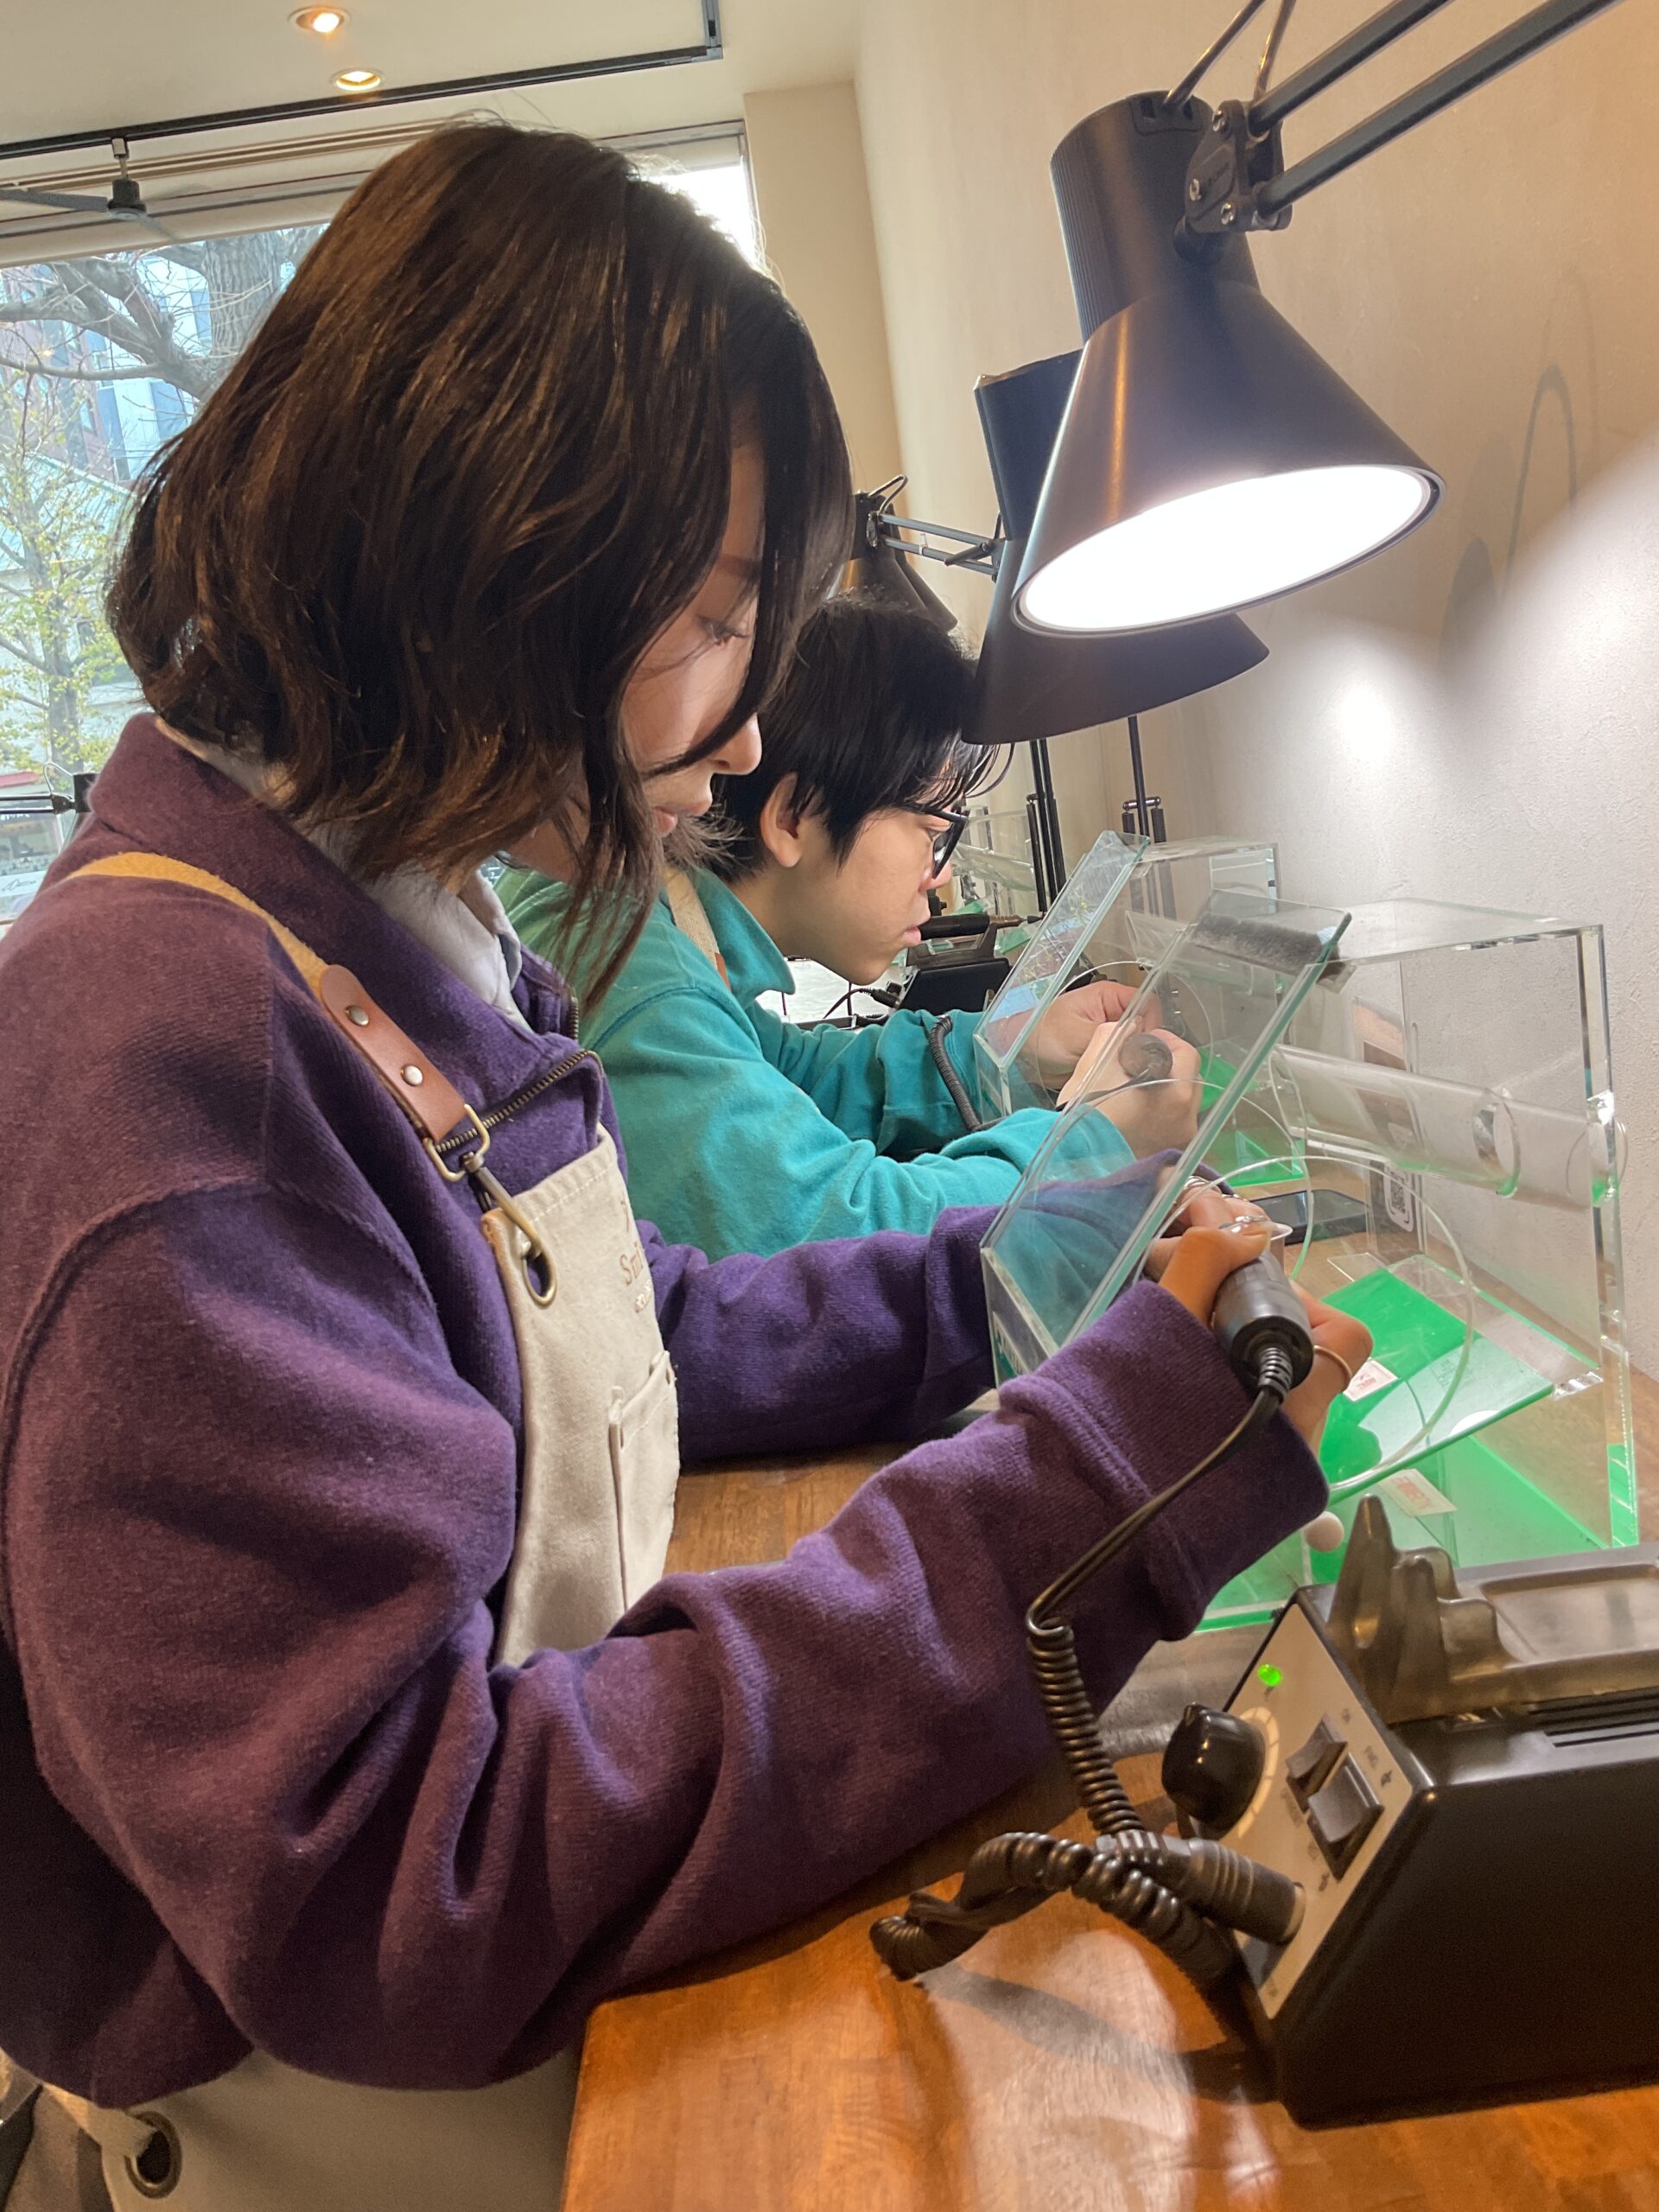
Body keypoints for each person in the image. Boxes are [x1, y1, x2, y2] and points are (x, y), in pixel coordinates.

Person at [0, 124, 1368, 2212]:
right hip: (358, 2122)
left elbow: (640, 1320)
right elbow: (400, 1881)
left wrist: (1029, 1265)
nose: (743, 741)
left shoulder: (394, 908)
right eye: (718, 622)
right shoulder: (167, 1051)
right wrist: (1092, 1483)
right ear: (493, 558)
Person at [503, 594, 1197, 1257]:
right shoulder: (636, 977)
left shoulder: (659, 926)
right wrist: (1093, 1146)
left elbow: (801, 1075)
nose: (940, 877)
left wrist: (1006, 1047)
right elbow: (839, 1229)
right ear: (794, 817)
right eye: (933, 833)